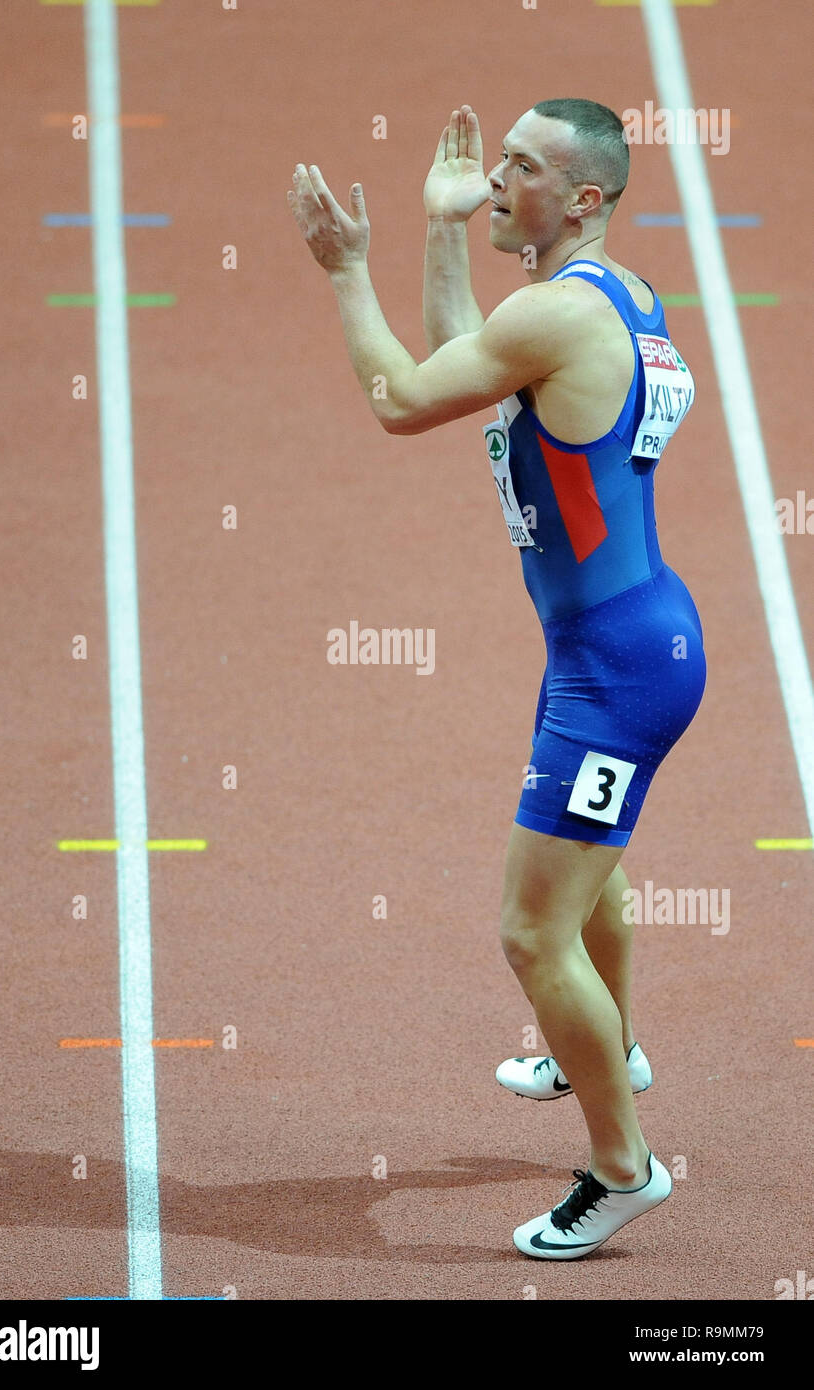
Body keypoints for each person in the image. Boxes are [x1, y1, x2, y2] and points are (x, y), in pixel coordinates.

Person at [288, 98, 706, 1260]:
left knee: (530, 933)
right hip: (623, 640)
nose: (494, 185)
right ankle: (608, 1048)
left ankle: (622, 1169)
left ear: (583, 197)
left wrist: (343, 268)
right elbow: (471, 352)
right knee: (590, 888)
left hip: (614, 668)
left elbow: (403, 400)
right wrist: (435, 230)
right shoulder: (616, 296)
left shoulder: (558, 319)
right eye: (497, 165)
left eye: (521, 170)